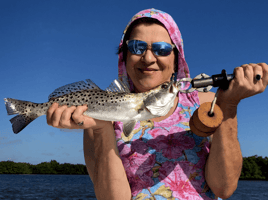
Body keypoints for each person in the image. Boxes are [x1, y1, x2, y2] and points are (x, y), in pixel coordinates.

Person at [46, 8, 268, 200]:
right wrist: (102, 127)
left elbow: (224, 187)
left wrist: (228, 106)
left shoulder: (208, 103)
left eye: (161, 49)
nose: (149, 58)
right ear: (124, 57)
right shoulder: (96, 117)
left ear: (176, 59)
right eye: (136, 47)